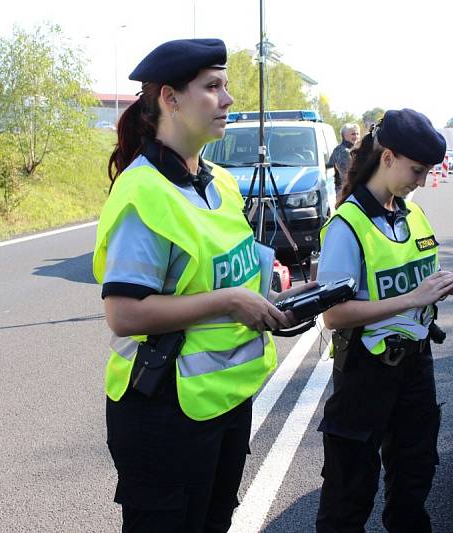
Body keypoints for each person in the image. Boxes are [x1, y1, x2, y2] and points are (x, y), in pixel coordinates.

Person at [93, 38, 302, 532]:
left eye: (226, 86)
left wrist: (273, 299)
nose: (228, 99)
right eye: (212, 86)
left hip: (224, 403)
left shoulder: (221, 183)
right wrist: (231, 301)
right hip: (164, 411)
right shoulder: (143, 192)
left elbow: (235, 273)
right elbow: (124, 314)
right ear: (170, 98)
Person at [315, 109, 453, 533]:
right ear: (388, 158)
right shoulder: (347, 225)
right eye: (417, 171)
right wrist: (411, 298)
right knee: (349, 493)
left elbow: (418, 277)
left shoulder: (412, 215)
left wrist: (441, 286)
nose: (421, 181)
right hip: (366, 373)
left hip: (416, 367)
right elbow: (333, 314)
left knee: (414, 482)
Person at [329, 123, 360, 195]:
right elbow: (348, 176)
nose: (356, 137)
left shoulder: (337, 149)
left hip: (342, 190)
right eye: (353, 134)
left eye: (357, 134)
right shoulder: (345, 152)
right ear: (345, 136)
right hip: (347, 191)